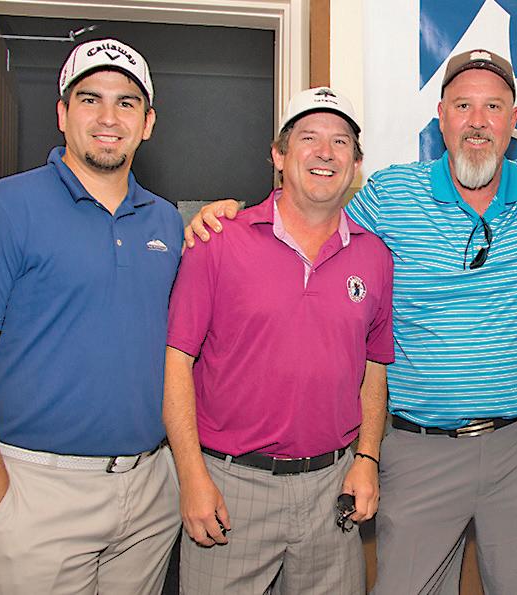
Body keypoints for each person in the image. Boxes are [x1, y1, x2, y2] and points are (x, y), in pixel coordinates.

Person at [188, 50, 517, 594]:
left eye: (493, 107)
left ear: (514, 120)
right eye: (463, 106)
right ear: (441, 117)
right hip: (418, 448)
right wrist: (233, 218)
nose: (477, 122)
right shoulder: (390, 195)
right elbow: (310, 223)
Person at [0, 39, 183, 593]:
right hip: (38, 494)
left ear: (147, 123)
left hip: (149, 492)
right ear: (62, 113)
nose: (108, 118)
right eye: (89, 99)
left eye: (126, 103)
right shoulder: (0, 210)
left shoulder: (166, 223)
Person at [164, 86, 394, 595]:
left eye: (340, 142)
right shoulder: (218, 240)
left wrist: (367, 458)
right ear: (279, 155)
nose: (325, 153)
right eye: (308, 137)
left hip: (332, 489)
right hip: (232, 488)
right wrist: (192, 477)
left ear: (356, 164)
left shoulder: (375, 257)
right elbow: (177, 362)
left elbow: (374, 369)